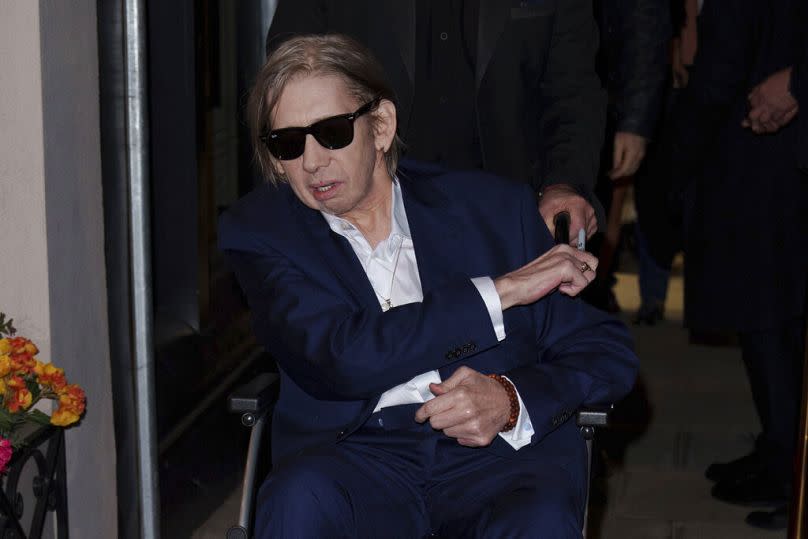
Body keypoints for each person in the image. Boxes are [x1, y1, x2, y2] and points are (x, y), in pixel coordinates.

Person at [219, 34, 638, 538]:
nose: (311, 162)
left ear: (381, 126)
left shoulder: (493, 210)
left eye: (331, 133)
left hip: (494, 461)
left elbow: (604, 350)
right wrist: (499, 293)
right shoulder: (263, 234)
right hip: (354, 458)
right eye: (288, 143)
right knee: (297, 501)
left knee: (540, 518)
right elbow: (342, 355)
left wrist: (509, 399)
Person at [265, 0, 605, 244]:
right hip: (370, 225)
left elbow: (573, 91)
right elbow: (291, 75)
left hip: (506, 222)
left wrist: (564, 183)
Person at [664, 0, 808, 529]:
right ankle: (778, 450)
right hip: (760, 148)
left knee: (773, 320)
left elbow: (721, 72)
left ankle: (793, 475)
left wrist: (675, 163)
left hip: (765, 155)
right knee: (766, 320)